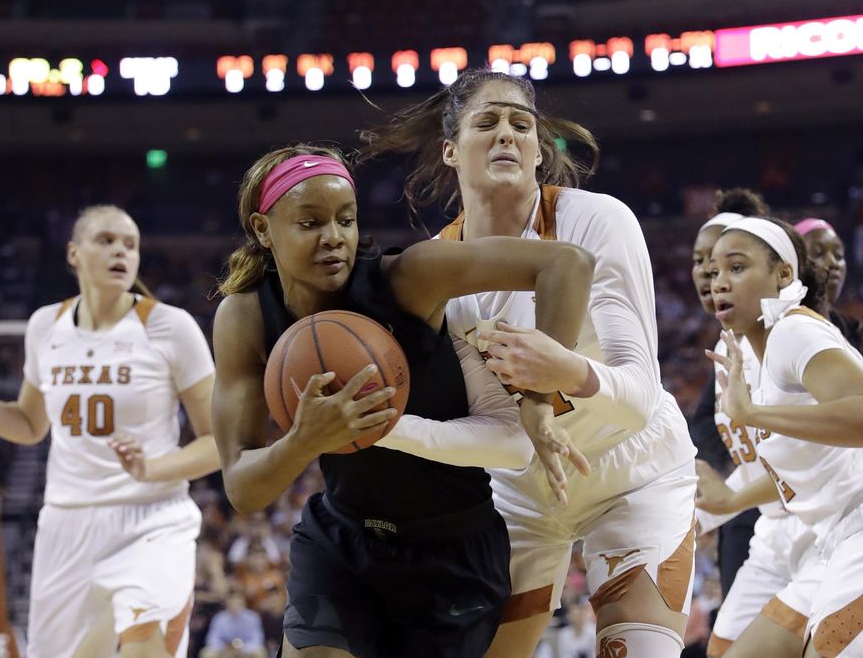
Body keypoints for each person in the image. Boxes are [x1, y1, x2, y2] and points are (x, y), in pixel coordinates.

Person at [359, 68, 698, 658]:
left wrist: (567, 372)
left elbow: (641, 393)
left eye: (522, 124)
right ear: (450, 150)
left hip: (631, 471)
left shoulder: (598, 220)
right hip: (520, 493)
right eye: (486, 123)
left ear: (540, 149)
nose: (507, 135)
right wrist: (388, 428)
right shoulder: (435, 269)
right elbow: (507, 437)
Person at [211, 145, 596, 658]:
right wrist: (304, 442)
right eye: (309, 223)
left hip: (449, 547)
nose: (334, 238)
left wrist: (540, 398)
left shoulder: (409, 276)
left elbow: (567, 263)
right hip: (342, 538)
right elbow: (242, 490)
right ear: (263, 229)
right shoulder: (245, 315)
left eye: (346, 221)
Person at [0, 204, 221, 657]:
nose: (121, 251)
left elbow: (220, 442)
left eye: (130, 244)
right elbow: (30, 424)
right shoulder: (45, 326)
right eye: (106, 240)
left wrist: (152, 467)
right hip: (66, 523)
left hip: (152, 516)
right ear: (73, 253)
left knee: (143, 640)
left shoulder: (170, 326)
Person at [697, 216, 863, 657]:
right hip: (827, 536)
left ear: (783, 274)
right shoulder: (754, 354)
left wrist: (751, 411)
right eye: (714, 272)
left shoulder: (793, 330)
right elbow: (798, 469)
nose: (718, 283)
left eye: (736, 268)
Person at [688, 189, 769, 602]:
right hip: (765, 520)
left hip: (818, 522)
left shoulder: (786, 336)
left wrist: (727, 499)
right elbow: (704, 424)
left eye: (726, 265)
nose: (709, 274)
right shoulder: (726, 346)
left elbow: (806, 461)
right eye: (701, 262)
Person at [795, 217, 863, 353]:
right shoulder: (788, 327)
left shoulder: (852, 328)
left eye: (838, 256)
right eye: (818, 254)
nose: (833, 263)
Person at [200, 591, 268, 658]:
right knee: (207, 653)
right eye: (232, 602)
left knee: (260, 652)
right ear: (227, 603)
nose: (235, 605)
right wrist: (225, 648)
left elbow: (257, 639)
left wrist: (243, 648)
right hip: (224, 650)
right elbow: (212, 638)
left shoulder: (253, 617)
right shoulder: (219, 618)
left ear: (243, 603)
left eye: (238, 603)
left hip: (245, 650)